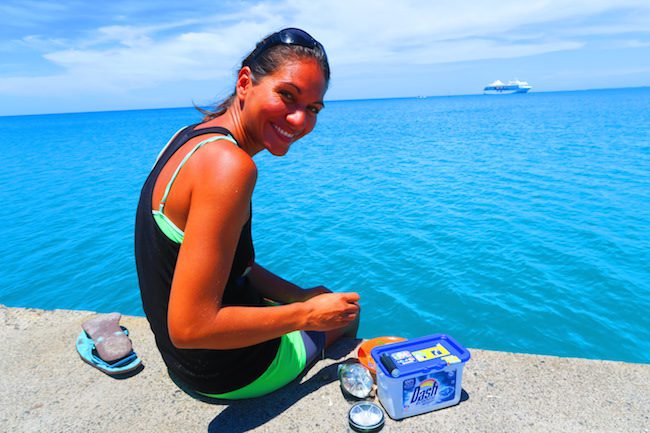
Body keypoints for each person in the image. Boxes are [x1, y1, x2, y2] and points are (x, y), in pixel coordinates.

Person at [135, 28, 360, 400]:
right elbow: (191, 327)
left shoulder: (190, 139)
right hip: (228, 372)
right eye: (287, 95)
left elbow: (231, 267)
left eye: (313, 109)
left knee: (320, 302)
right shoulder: (229, 165)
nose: (299, 120)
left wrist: (301, 295)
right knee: (345, 317)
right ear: (245, 82)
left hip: (185, 364)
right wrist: (308, 315)